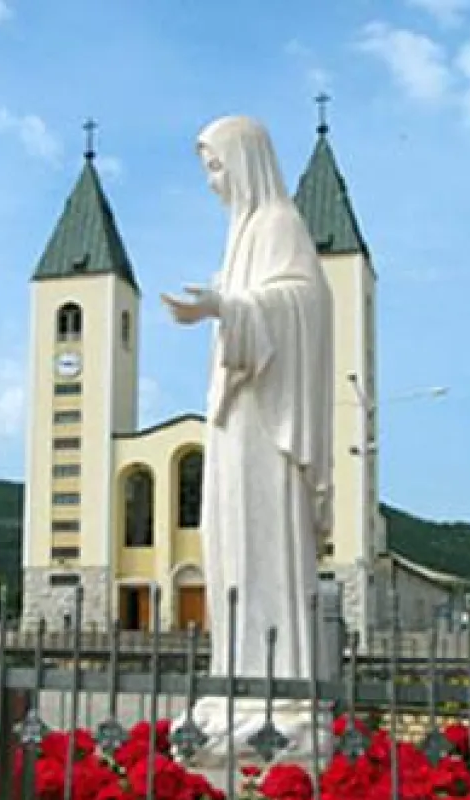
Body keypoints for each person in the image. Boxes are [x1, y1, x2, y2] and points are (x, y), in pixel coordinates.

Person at [161, 115, 333, 700]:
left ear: (245, 162)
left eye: (216, 167)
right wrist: (220, 307)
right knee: (228, 535)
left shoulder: (279, 223)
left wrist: (225, 307)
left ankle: (277, 680)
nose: (212, 181)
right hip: (235, 415)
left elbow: (304, 300)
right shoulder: (241, 232)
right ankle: (234, 668)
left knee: (263, 537)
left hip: (266, 419)